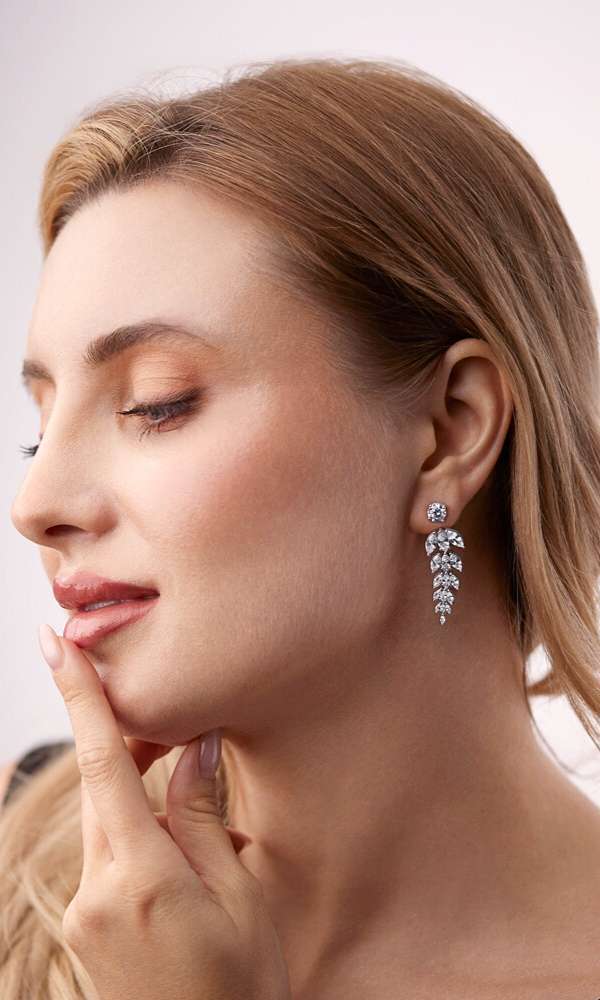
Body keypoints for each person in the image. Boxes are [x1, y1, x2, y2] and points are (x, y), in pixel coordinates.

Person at [1, 56, 600, 999]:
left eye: (158, 402)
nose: (36, 505)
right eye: (40, 429)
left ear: (451, 429)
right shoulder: (14, 873)